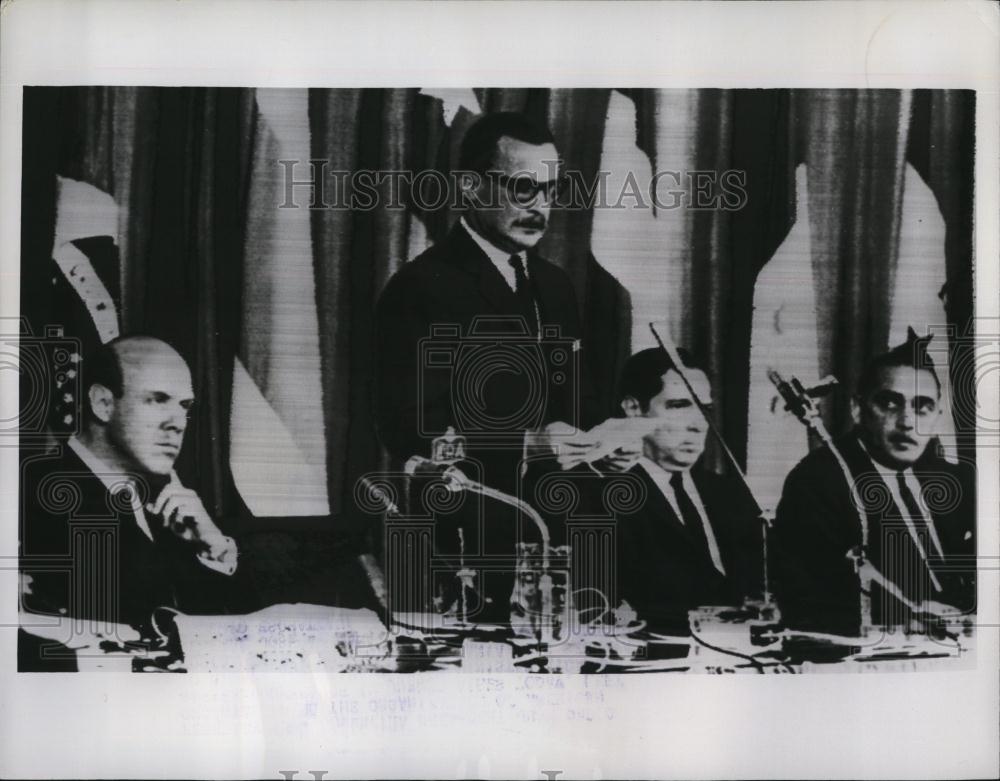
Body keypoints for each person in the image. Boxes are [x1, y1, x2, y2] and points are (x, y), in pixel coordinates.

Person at [375, 112, 605, 618]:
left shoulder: (556, 286)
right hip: (468, 550)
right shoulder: (422, 287)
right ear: (471, 186)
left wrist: (606, 443)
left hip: (563, 550)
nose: (540, 207)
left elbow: (578, 406)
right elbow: (409, 426)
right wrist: (528, 442)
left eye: (550, 189)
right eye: (523, 188)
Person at [19, 336, 238, 669]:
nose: (177, 423)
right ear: (103, 404)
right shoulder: (31, 497)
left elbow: (230, 638)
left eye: (184, 406)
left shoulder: (172, 505)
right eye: (158, 400)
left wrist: (215, 551)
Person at [773, 331, 976, 637]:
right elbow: (807, 602)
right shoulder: (818, 482)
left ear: (937, 417)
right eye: (890, 403)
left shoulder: (958, 480)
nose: (908, 421)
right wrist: (908, 620)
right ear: (858, 409)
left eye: (922, 407)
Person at [594, 347, 762, 634]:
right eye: (679, 405)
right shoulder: (603, 499)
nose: (699, 425)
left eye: (705, 410)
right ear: (634, 409)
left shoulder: (729, 494)